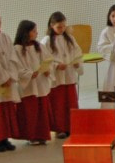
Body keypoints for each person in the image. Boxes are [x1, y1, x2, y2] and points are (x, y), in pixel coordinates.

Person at [41, 11, 82, 139]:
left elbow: (77, 53)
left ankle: (72, 127)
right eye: (59, 27)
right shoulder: (47, 40)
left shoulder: (69, 38)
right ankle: (60, 128)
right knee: (58, 105)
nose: (62, 29)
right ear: (51, 25)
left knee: (70, 102)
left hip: (68, 75)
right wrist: (56, 66)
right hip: (57, 78)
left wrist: (77, 62)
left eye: (64, 26)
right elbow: (44, 58)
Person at [14, 20, 52, 145]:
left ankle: (42, 135)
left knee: (41, 111)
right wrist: (30, 74)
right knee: (30, 112)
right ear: (26, 32)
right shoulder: (17, 49)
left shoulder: (39, 46)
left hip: (40, 83)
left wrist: (47, 70)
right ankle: (32, 136)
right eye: (34, 31)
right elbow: (16, 68)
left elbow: (48, 60)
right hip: (28, 85)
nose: (37, 33)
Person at [0, 10, 20, 152]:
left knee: (6, 109)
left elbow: (13, 57)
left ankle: (5, 138)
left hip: (7, 80)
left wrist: (11, 75)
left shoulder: (4, 36)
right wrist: (3, 78)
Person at [97, 5, 115, 109]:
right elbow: (101, 47)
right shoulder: (106, 31)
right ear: (109, 17)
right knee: (111, 87)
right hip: (112, 65)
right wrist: (113, 47)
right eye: (112, 16)